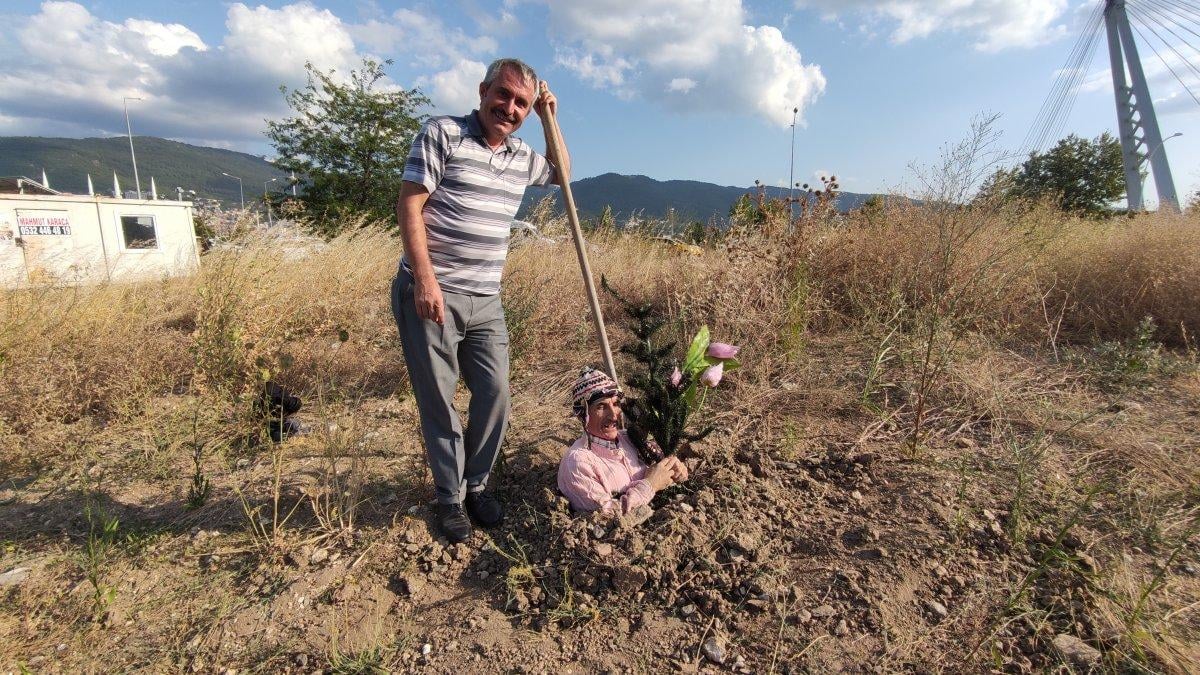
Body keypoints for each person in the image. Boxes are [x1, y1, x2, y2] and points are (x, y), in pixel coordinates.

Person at [392, 58, 568, 543]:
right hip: (432, 291)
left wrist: (552, 120)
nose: (509, 108)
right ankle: (449, 498)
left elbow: (563, 175)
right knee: (441, 402)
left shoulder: (520, 155)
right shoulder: (442, 133)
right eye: (503, 95)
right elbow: (410, 203)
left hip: (486, 297)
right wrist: (426, 281)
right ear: (484, 89)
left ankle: (476, 484)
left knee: (495, 394)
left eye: (522, 104)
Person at [558, 368, 689, 515]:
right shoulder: (578, 463)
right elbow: (606, 515)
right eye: (601, 406)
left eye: (615, 404)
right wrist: (650, 485)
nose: (613, 415)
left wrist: (676, 469)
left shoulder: (629, 438)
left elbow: (662, 464)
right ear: (583, 415)